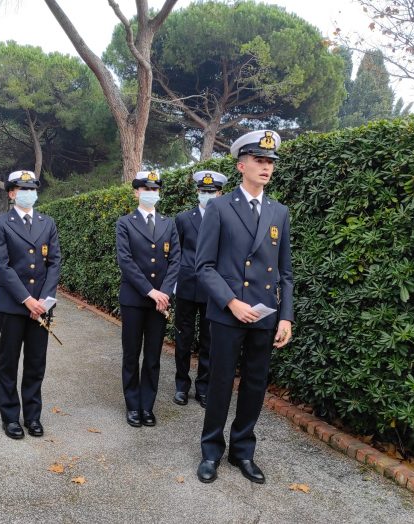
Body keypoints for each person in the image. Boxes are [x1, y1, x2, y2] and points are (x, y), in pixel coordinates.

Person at [195, 130, 294, 485]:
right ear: (241, 165)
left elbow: (285, 272)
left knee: (254, 385)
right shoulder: (220, 207)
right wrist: (232, 302)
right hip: (228, 313)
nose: (266, 167)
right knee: (220, 383)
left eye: (270, 162)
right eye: (259, 161)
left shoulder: (279, 212)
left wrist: (286, 316)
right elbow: (203, 266)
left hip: (264, 315)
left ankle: (243, 451)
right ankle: (210, 452)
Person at [0, 170, 61, 440]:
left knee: (35, 362)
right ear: (11, 193)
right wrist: (27, 299)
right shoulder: (1, 223)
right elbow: (2, 266)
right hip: (12, 304)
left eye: (32, 188)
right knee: (9, 361)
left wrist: (43, 299)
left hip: (42, 305)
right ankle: (10, 417)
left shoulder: (47, 222)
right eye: (23, 188)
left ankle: (33, 416)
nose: (29, 193)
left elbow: (54, 262)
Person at [116, 170, 180, 428]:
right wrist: (150, 291)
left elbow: (176, 259)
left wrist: (164, 291)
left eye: (155, 189)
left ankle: (147, 405)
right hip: (134, 299)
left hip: (161, 301)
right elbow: (126, 261)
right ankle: (133, 405)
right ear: (136, 192)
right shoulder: (125, 223)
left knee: (153, 356)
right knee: (131, 354)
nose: (151, 193)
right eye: (146, 189)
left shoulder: (168, 223)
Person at [173, 170, 227, 408]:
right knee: (183, 338)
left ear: (220, 193)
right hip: (186, 285)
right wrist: (173, 283)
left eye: (212, 192)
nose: (207, 195)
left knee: (209, 340)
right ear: (197, 192)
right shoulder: (184, 218)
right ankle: (181, 386)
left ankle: (203, 388)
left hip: (212, 289)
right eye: (203, 191)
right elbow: (176, 252)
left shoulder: (225, 218)